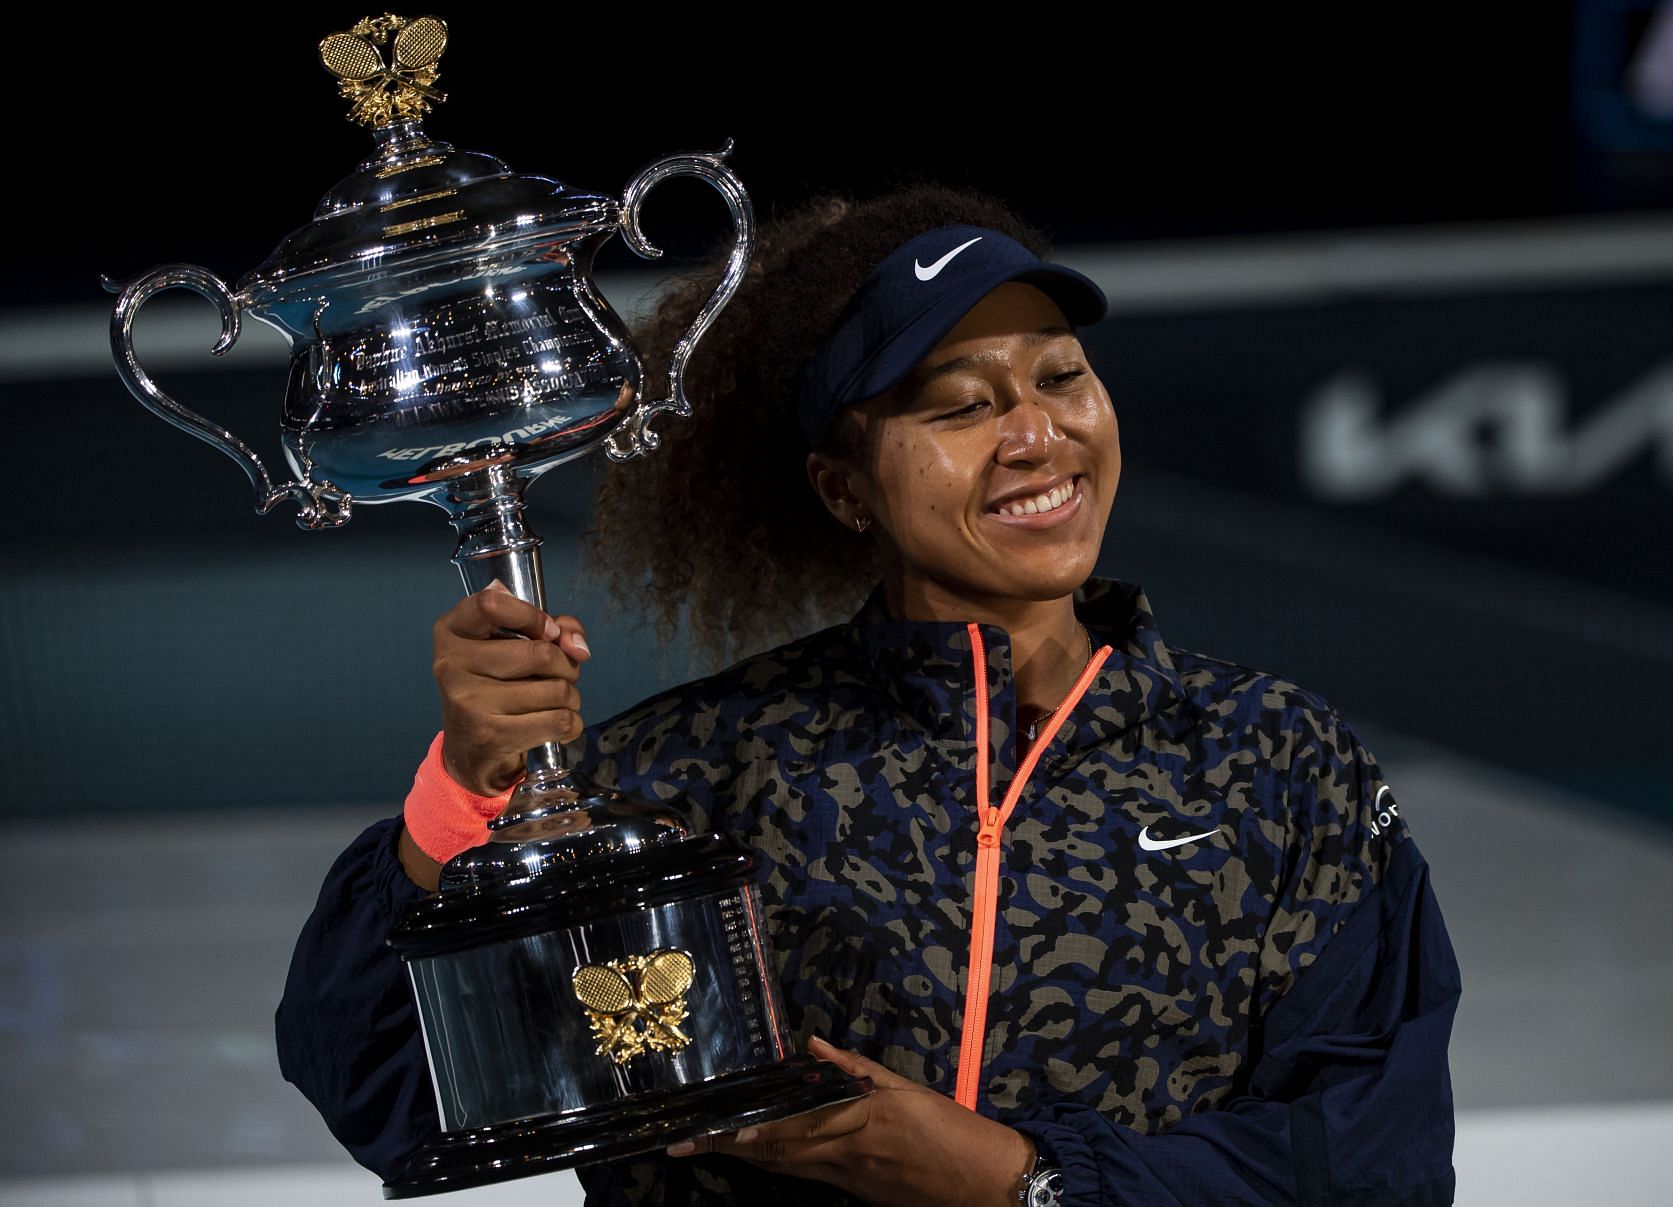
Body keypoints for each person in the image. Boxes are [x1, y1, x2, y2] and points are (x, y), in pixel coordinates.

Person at [277, 185, 1462, 1206]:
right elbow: (385, 1095)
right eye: (961, 404)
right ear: (844, 489)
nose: (1037, 433)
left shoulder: (1277, 764)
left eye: (1061, 377)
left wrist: (1015, 1176)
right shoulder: (683, 780)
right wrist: (463, 795)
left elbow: (1376, 1163)